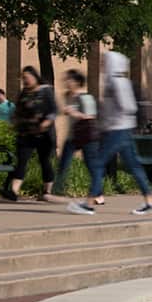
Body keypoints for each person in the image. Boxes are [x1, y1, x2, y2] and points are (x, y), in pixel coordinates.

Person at [73, 50, 152, 215]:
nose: (102, 64)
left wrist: (112, 121)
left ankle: (89, 203)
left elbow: (129, 106)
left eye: (105, 61)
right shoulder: (117, 81)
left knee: (97, 163)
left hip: (117, 131)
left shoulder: (117, 82)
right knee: (134, 166)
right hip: (121, 130)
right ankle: (150, 202)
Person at [5, 67, 57, 202]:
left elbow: (53, 110)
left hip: (43, 134)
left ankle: (47, 191)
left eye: (27, 78)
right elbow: (18, 110)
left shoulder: (45, 91)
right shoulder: (24, 92)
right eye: (23, 78)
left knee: (44, 161)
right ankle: (14, 191)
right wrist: (14, 122)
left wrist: (46, 122)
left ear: (35, 77)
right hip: (25, 133)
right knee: (21, 161)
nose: (25, 81)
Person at [53, 69, 98, 202]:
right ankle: (58, 190)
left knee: (90, 164)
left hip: (87, 137)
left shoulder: (85, 97)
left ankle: (98, 192)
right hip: (72, 136)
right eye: (66, 80)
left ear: (77, 82)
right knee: (63, 163)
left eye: (69, 80)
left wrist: (75, 113)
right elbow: (62, 112)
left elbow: (91, 116)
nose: (66, 82)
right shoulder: (67, 96)